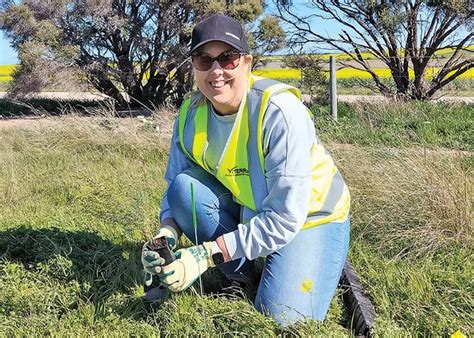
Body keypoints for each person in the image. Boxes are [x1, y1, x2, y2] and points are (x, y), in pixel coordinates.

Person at [141, 14, 350, 326]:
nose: (216, 71)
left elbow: (284, 217)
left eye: (228, 58)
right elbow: (175, 187)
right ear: (193, 66)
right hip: (252, 209)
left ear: (247, 63)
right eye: (203, 59)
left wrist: (204, 255)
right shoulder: (189, 113)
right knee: (184, 187)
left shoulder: (279, 112)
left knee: (282, 318)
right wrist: (167, 234)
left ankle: (313, 255)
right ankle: (244, 276)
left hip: (309, 217)